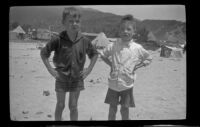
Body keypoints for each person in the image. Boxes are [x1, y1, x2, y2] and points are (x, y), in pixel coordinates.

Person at [40, 7, 98, 121]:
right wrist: (51, 70)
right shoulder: (58, 39)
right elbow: (43, 53)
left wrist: (88, 70)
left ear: (80, 23)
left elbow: (95, 54)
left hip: (77, 79)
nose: (74, 24)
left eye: (77, 21)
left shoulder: (84, 40)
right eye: (70, 21)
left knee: (73, 106)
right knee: (60, 105)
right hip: (61, 77)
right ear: (64, 23)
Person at [100, 14, 152, 120]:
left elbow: (149, 58)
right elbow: (103, 55)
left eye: (129, 29)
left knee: (124, 109)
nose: (125, 32)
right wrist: (111, 64)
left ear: (134, 32)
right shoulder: (113, 45)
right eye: (122, 29)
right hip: (113, 84)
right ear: (119, 30)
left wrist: (137, 66)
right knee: (112, 108)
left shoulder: (137, 48)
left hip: (127, 85)